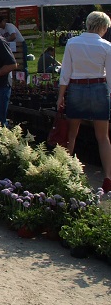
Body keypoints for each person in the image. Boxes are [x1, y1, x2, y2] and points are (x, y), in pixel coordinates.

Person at [56, 11, 111, 192]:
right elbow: (110, 77)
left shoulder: (73, 43)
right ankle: (108, 177)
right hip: (98, 87)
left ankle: (65, 171)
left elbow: (66, 73)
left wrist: (60, 96)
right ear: (103, 27)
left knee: (72, 134)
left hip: (77, 87)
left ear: (87, 24)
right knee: (103, 137)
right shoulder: (107, 46)